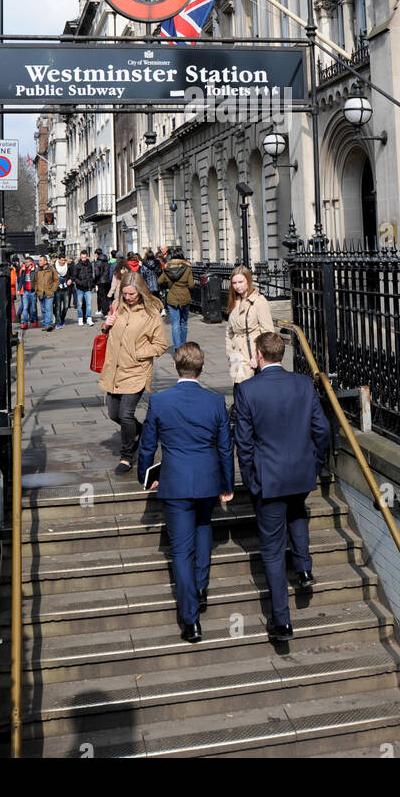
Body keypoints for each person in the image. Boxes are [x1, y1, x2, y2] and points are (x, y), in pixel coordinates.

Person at [234, 331, 330, 640]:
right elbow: (322, 430)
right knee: (297, 512)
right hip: (300, 473)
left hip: (269, 478)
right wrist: (314, 464)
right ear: (282, 354)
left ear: (259, 356)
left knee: (273, 552)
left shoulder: (247, 391)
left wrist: (251, 479)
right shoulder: (303, 384)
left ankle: (282, 620)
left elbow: (244, 443)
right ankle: (303, 568)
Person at [137, 342, 233, 642]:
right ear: (201, 368)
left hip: (176, 482)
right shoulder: (215, 402)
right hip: (207, 480)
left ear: (176, 367)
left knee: (180, 550)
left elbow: (147, 445)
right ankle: (202, 585)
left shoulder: (161, 401)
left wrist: (145, 476)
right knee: (204, 528)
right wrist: (227, 484)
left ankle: (190, 621)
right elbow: (225, 448)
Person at [98, 271, 168, 473]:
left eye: (131, 294)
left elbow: (160, 345)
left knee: (126, 414)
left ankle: (126, 457)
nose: (127, 297)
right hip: (115, 368)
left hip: (136, 369)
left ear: (140, 291)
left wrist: (139, 353)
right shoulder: (118, 306)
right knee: (113, 414)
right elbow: (110, 332)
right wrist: (106, 326)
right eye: (125, 293)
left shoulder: (151, 313)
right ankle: (142, 431)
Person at [225, 266, 274, 383]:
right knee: (237, 387)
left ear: (248, 280)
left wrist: (259, 357)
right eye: (234, 283)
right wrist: (230, 354)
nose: (237, 286)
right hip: (236, 355)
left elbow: (268, 333)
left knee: (249, 391)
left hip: (252, 354)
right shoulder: (235, 301)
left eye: (241, 282)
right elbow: (229, 331)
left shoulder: (259, 302)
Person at [159, 246, 194, 349]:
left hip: (172, 298)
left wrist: (168, 285)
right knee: (183, 322)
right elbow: (191, 285)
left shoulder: (167, 267)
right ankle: (183, 345)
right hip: (185, 297)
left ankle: (177, 347)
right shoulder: (187, 268)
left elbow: (159, 281)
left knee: (175, 324)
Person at [34, 254, 59, 331]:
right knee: (43, 309)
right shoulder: (37, 270)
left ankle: (48, 325)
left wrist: (53, 290)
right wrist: (36, 290)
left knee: (48, 309)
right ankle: (45, 324)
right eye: (39, 260)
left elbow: (56, 280)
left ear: (45, 261)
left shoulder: (51, 269)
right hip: (40, 293)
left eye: (41, 260)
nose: (39, 262)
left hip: (49, 292)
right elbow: (35, 281)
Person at [73, 249, 96, 326]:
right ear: (80, 257)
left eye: (85, 257)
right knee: (79, 304)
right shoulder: (77, 266)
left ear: (87, 257)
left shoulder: (90, 265)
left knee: (89, 304)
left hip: (88, 288)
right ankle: (80, 318)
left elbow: (92, 275)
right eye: (82, 257)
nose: (83, 259)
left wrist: (92, 283)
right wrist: (80, 283)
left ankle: (89, 318)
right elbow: (74, 277)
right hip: (80, 288)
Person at [53, 249, 73, 327]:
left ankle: (62, 318)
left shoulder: (68, 266)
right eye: (62, 260)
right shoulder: (54, 267)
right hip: (57, 290)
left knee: (66, 306)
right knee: (57, 306)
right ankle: (58, 322)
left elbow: (73, 275)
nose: (63, 262)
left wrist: (71, 279)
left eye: (64, 260)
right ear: (58, 259)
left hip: (66, 290)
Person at [16, 255, 37, 329]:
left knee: (33, 308)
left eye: (27, 262)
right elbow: (21, 280)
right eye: (25, 262)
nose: (26, 263)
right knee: (25, 308)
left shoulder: (35, 270)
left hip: (33, 291)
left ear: (31, 262)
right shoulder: (24, 270)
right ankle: (25, 323)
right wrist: (18, 289)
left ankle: (35, 320)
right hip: (25, 291)